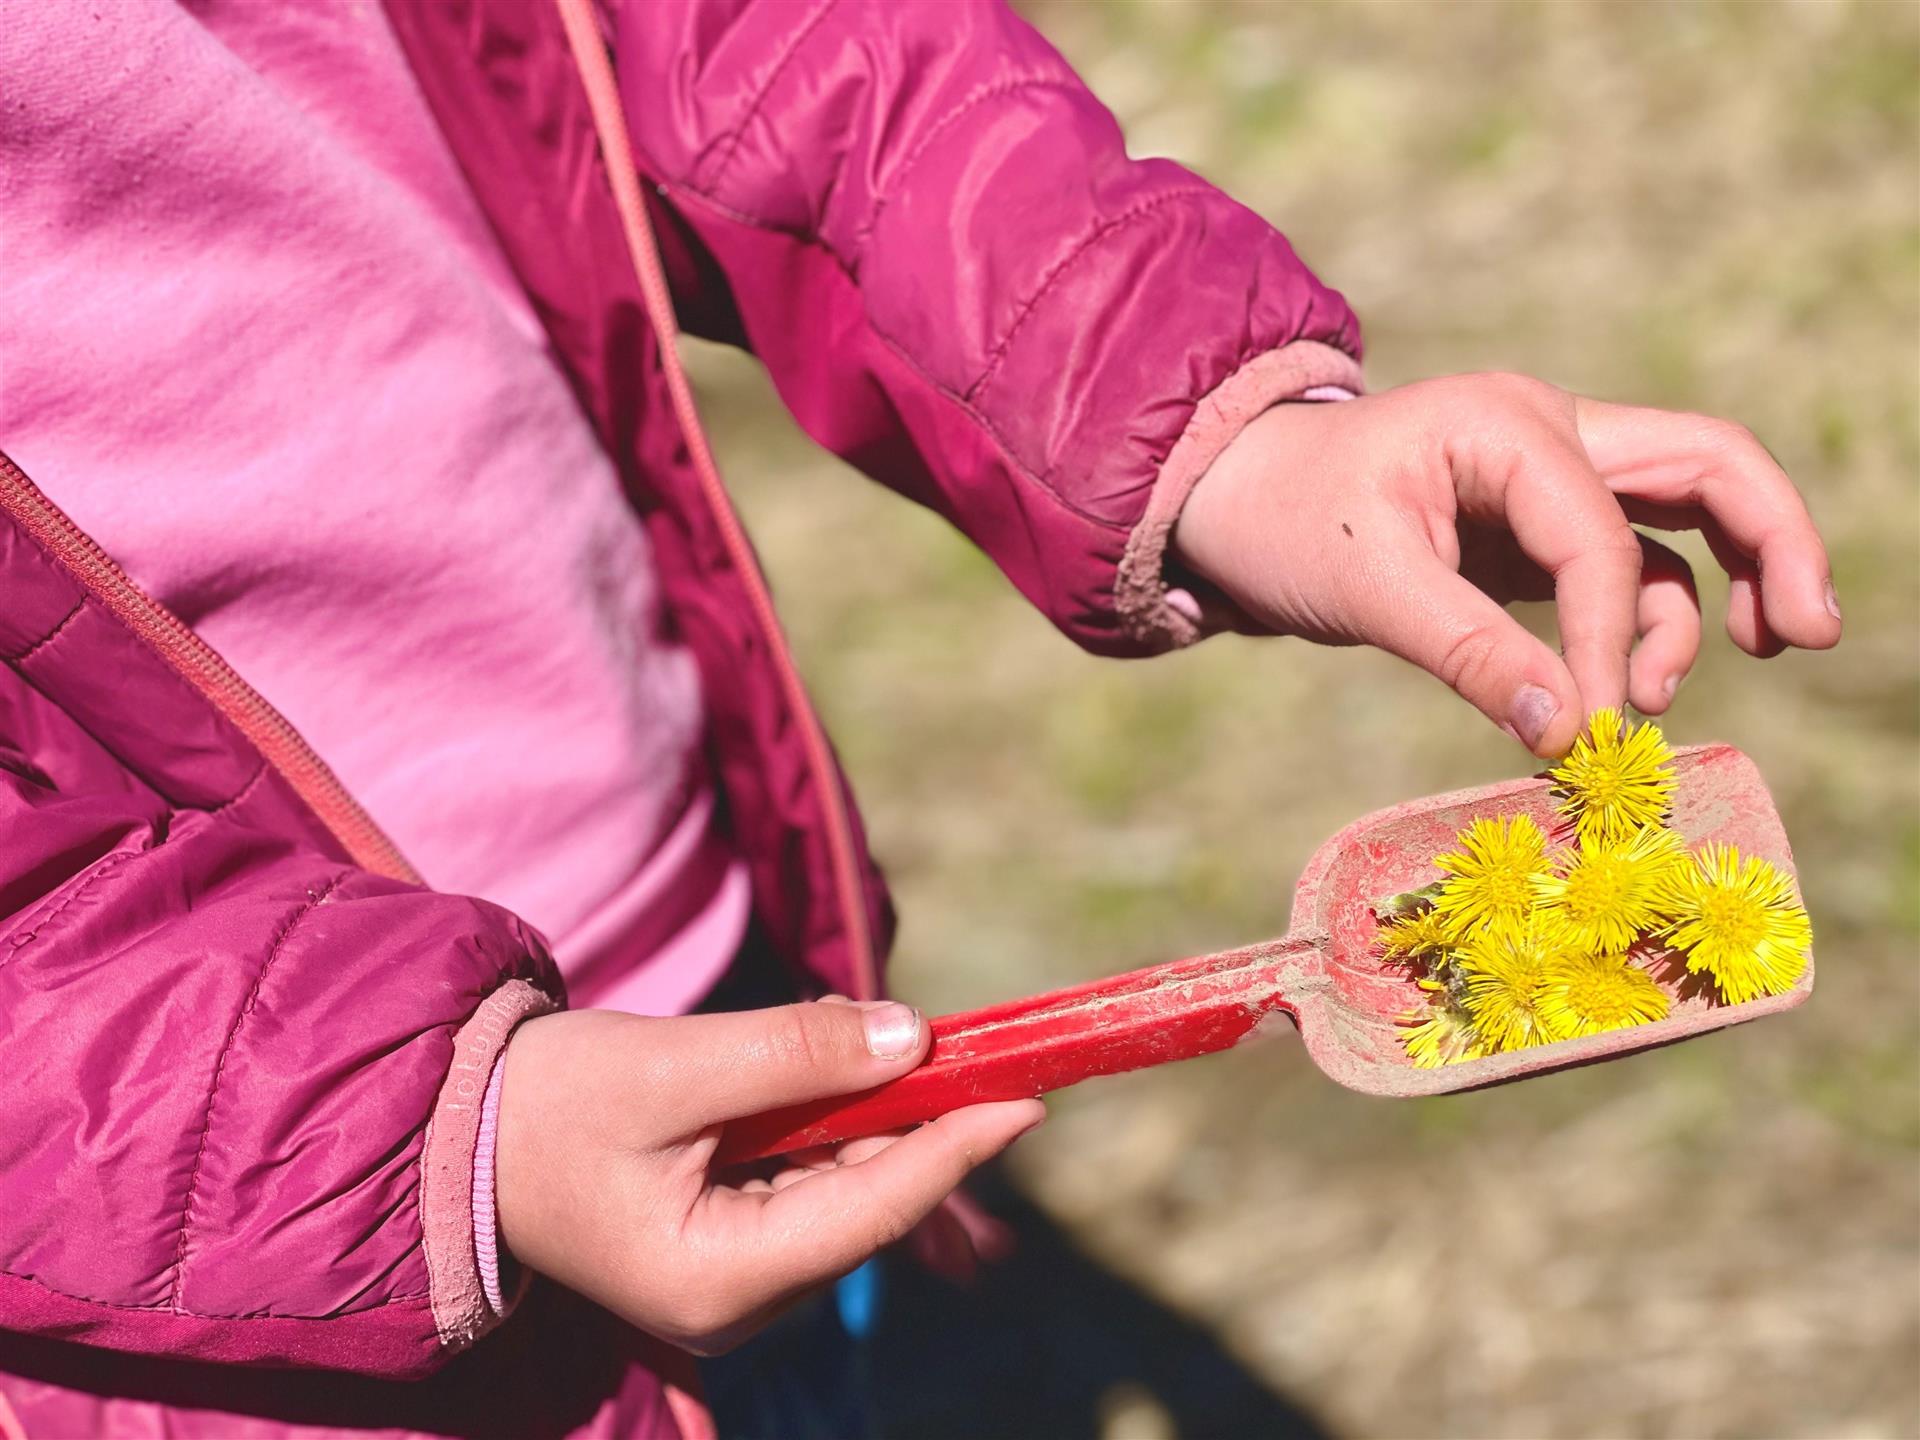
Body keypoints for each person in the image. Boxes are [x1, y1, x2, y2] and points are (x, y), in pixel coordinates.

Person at [0, 2, 1840, 1437]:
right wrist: (439, 1130)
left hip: (708, 943)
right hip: (256, 1300)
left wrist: (1212, 427)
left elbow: (755, 54)